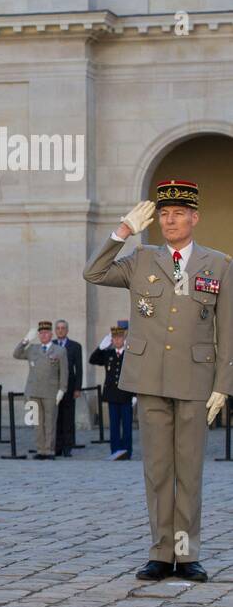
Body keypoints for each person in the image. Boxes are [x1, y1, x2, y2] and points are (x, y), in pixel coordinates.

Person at [84, 182, 231, 582]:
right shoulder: (141, 259)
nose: (170, 220)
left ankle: (186, 555)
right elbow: (93, 271)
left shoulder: (218, 263)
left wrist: (223, 384)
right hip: (149, 379)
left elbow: (228, 329)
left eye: (179, 213)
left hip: (196, 381)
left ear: (194, 218)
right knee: (158, 471)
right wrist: (122, 232)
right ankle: (160, 553)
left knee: (189, 472)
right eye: (164, 214)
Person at [13, 322, 67, 460]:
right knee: (37, 423)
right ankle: (40, 449)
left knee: (49, 422)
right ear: (38, 335)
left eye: (46, 333)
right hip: (34, 391)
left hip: (50, 392)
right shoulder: (32, 349)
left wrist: (62, 389)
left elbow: (64, 373)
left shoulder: (59, 350)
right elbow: (16, 354)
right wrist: (25, 340)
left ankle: (49, 451)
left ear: (51, 334)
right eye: (41, 333)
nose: (43, 335)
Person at [89, 324, 135, 460]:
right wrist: (100, 347)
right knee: (114, 426)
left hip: (126, 396)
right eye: (114, 338)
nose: (117, 341)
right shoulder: (108, 354)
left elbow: (135, 375)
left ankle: (127, 451)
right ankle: (115, 451)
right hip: (112, 396)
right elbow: (92, 360)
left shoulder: (130, 355)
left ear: (124, 338)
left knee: (127, 427)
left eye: (119, 338)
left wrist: (135, 395)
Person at [53, 319, 84, 457]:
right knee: (56, 417)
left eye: (63, 328)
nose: (60, 330)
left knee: (68, 417)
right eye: (58, 328)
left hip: (69, 387)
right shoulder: (51, 345)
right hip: (53, 387)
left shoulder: (75, 346)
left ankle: (68, 446)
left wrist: (78, 388)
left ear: (67, 330)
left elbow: (79, 368)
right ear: (55, 330)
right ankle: (57, 446)